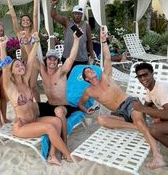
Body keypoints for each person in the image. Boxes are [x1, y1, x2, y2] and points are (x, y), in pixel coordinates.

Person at [78, 27, 166, 169]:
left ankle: (157, 155)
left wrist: (103, 41)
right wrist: (86, 109)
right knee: (101, 119)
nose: (90, 70)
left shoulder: (105, 77)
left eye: (90, 69)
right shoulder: (88, 91)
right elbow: (80, 103)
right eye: (87, 71)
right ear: (86, 78)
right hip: (119, 113)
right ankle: (139, 127)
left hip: (130, 103)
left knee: (138, 119)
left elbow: (107, 58)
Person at [0, 32, 72, 165]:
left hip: (34, 120)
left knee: (57, 122)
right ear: (12, 70)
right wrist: (2, 47)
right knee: (50, 128)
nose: (21, 67)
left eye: (21, 65)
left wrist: (36, 42)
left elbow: (31, 60)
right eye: (17, 66)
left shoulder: (25, 81)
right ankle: (68, 155)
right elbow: (4, 67)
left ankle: (52, 155)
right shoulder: (10, 86)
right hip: (22, 126)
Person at [36, 32, 81, 144]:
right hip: (49, 105)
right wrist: (31, 41)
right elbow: (32, 56)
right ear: (46, 60)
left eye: (54, 59)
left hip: (63, 106)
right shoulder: (43, 71)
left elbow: (71, 58)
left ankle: (64, 140)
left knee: (59, 111)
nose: (52, 61)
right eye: (50, 59)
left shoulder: (61, 72)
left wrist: (76, 40)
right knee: (31, 106)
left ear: (58, 61)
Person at [2, 0, 41, 102]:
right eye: (23, 20)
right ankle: (30, 104)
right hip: (23, 63)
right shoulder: (19, 33)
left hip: (33, 62)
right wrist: (8, 0)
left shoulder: (34, 31)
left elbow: (35, 16)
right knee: (27, 86)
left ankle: (39, 106)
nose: (25, 21)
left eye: (27, 20)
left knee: (33, 86)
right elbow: (13, 17)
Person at [50, 0, 95, 74]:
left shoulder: (86, 25)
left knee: (81, 80)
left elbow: (89, 42)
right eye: (75, 13)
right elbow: (54, 15)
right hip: (67, 58)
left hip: (82, 59)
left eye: (79, 14)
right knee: (66, 79)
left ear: (82, 15)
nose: (77, 16)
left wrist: (92, 56)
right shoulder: (67, 22)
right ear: (72, 14)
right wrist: (53, 5)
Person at [133, 62, 168, 148]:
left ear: (152, 73)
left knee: (154, 130)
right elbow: (146, 105)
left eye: (145, 75)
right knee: (152, 109)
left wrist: (142, 109)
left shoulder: (161, 88)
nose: (143, 79)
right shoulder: (149, 89)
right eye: (140, 77)